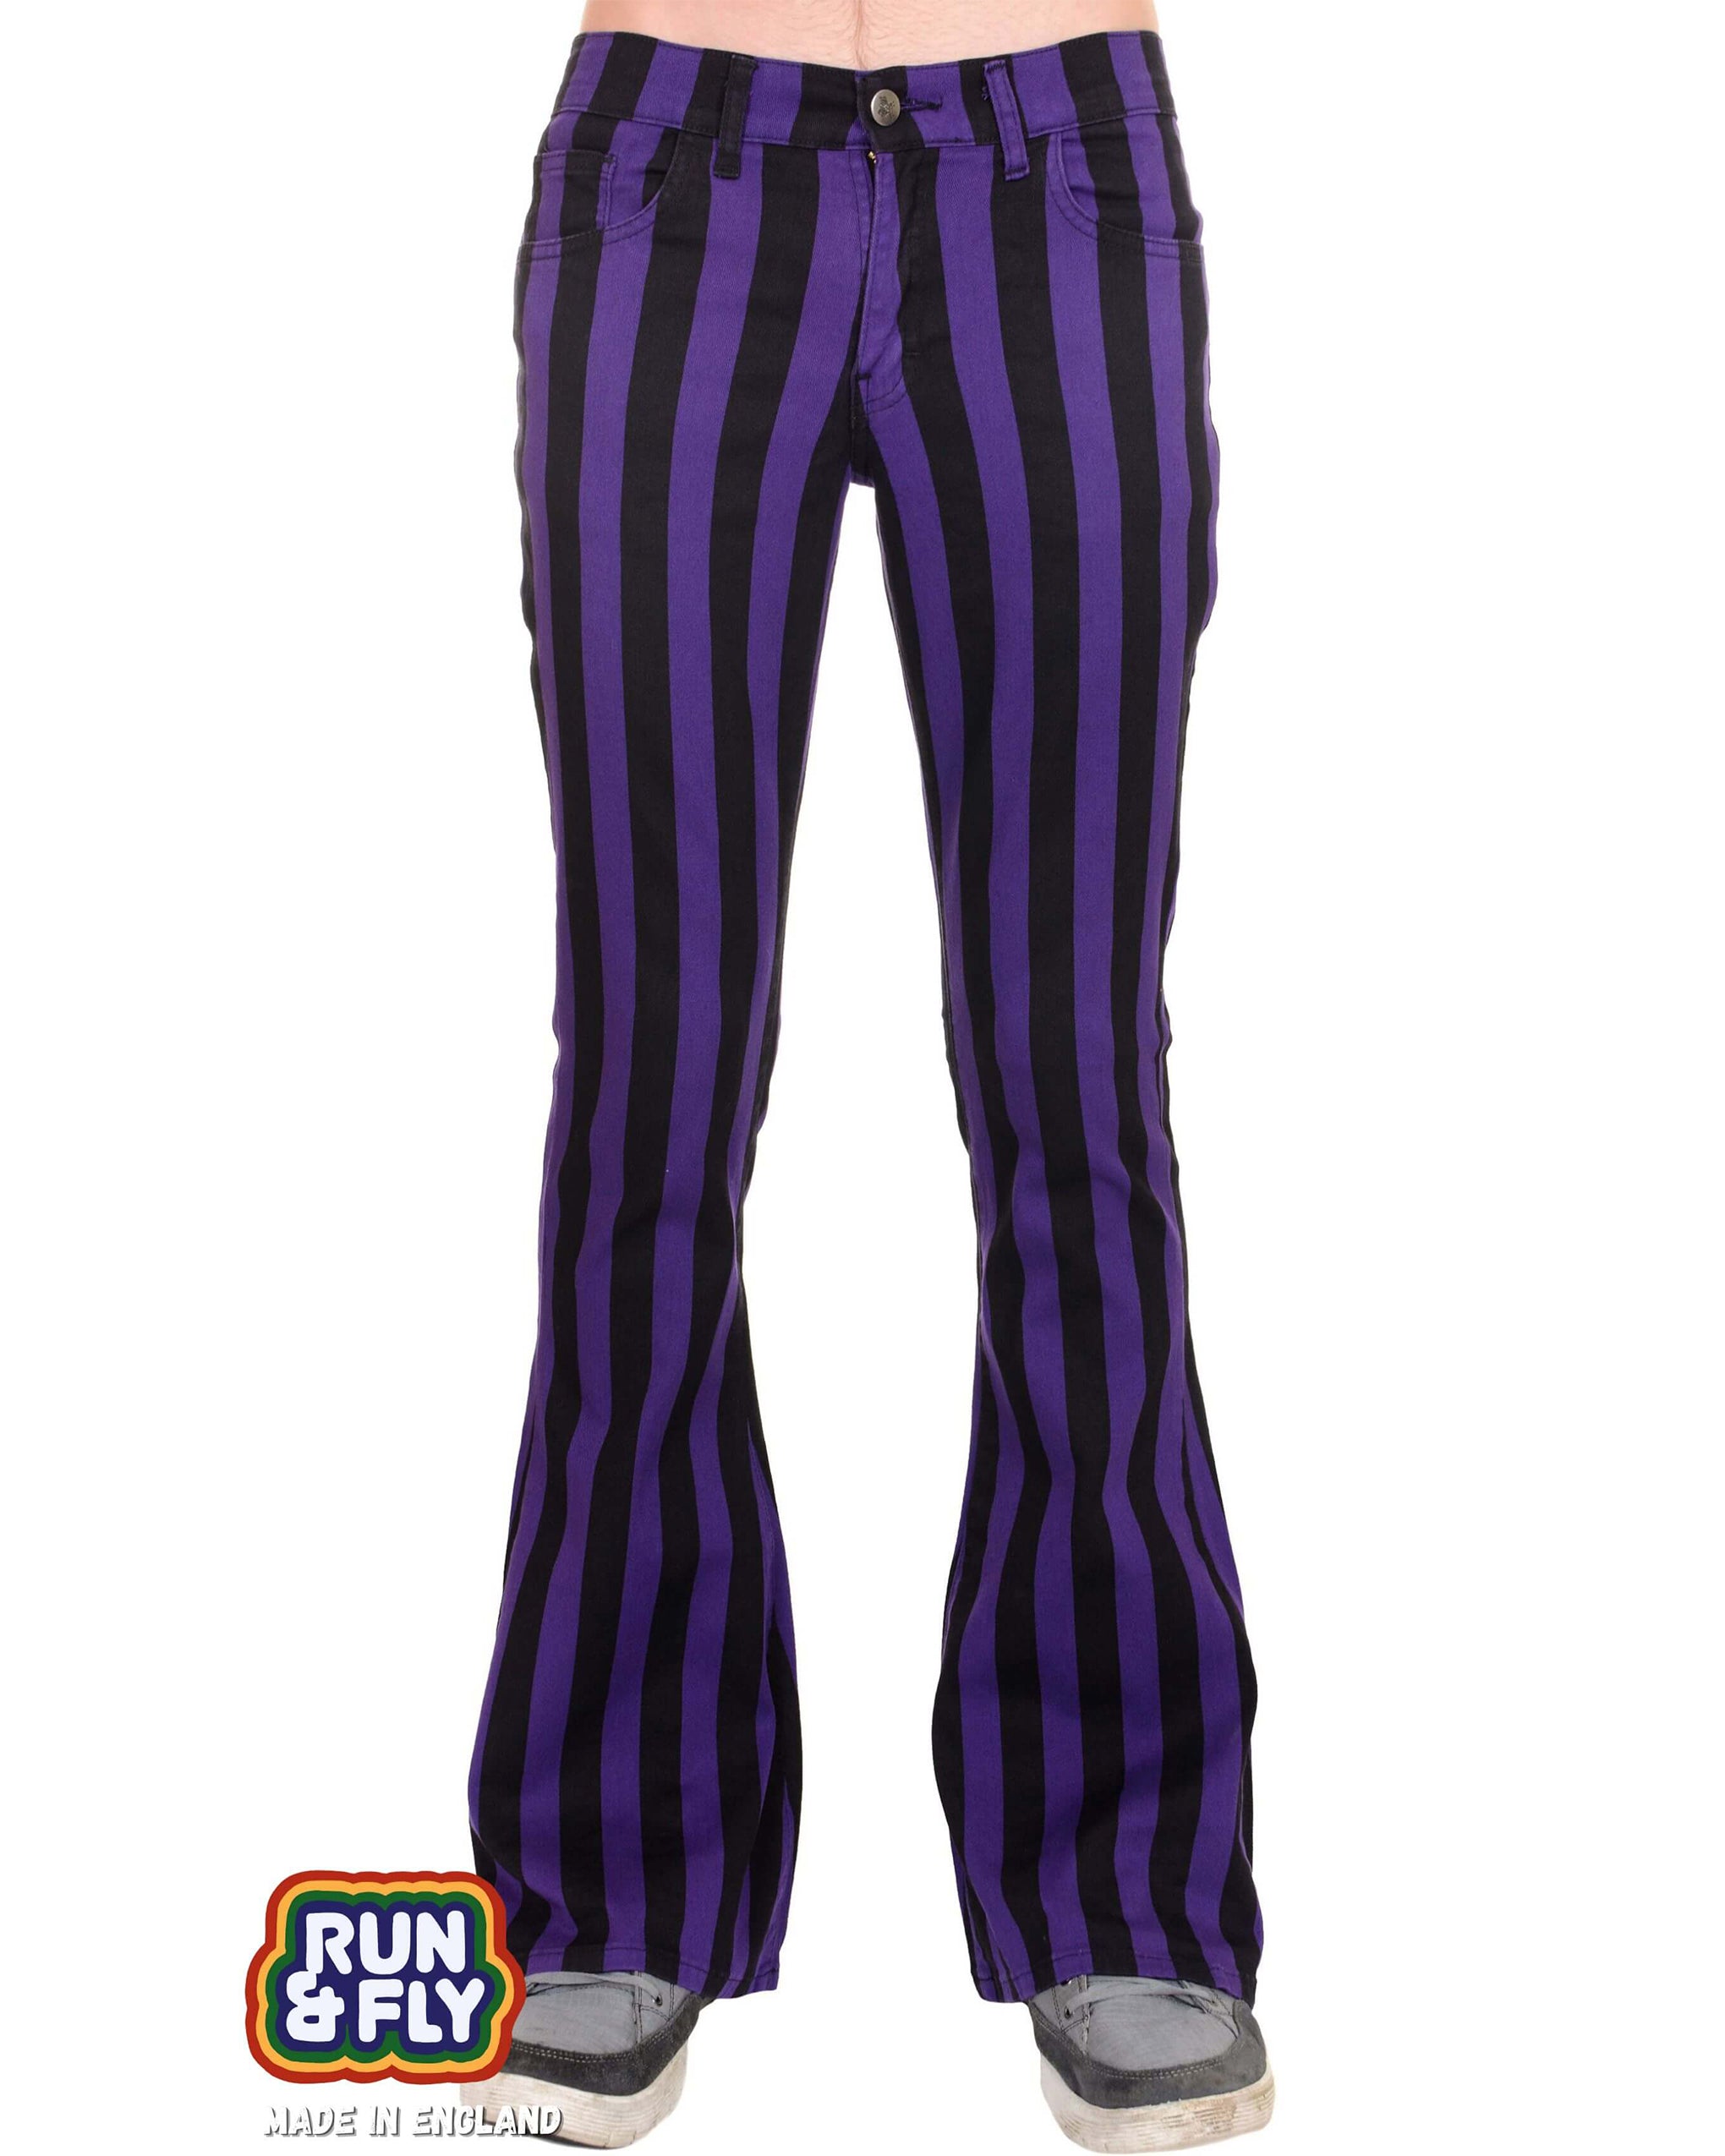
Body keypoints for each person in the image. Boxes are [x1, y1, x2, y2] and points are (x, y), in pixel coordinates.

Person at [468, 2, 1270, 2146]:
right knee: (651, 1072)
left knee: (1072, 1073)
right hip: (669, 174)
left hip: (1056, 173)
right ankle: (612, 1871)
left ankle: (1128, 1888)